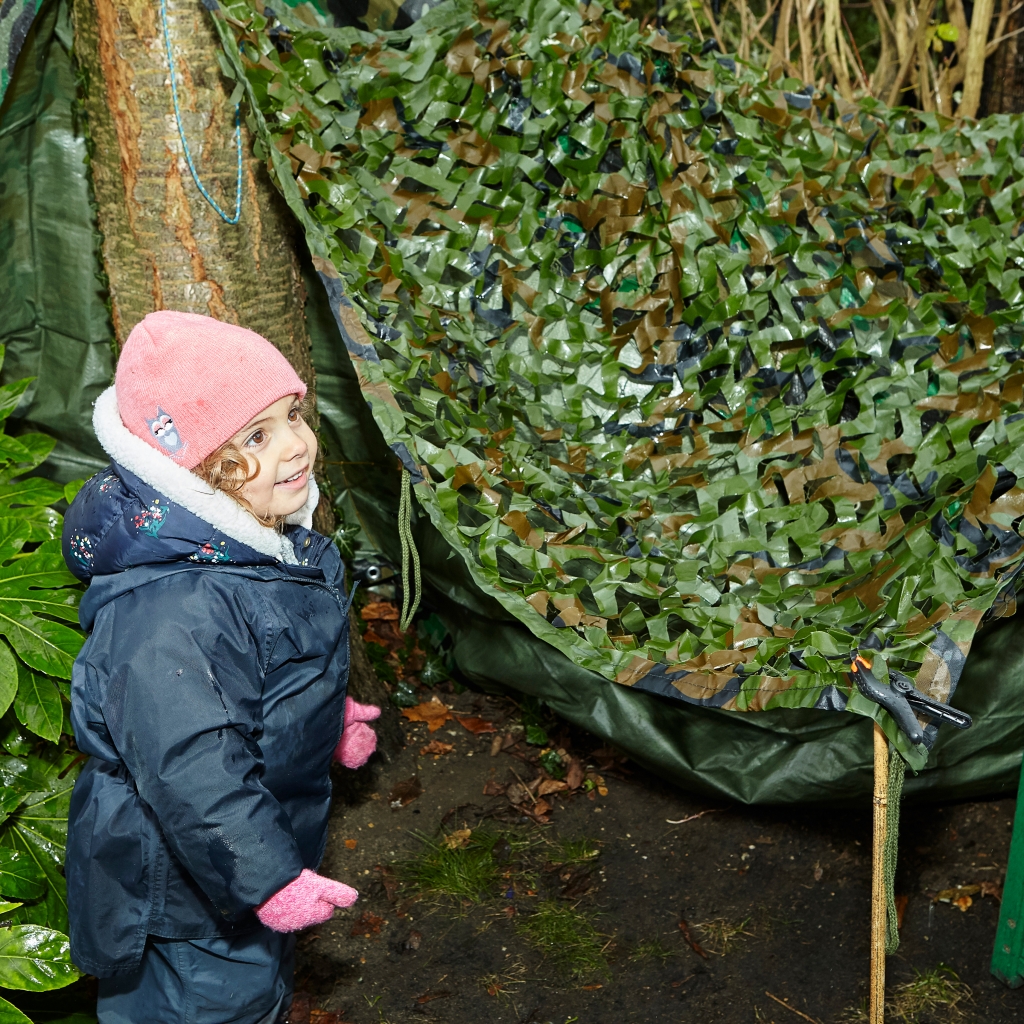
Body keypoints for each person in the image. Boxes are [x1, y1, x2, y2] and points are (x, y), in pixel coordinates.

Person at [61, 311, 381, 1024]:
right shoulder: (170, 614)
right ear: (195, 467)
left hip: (237, 856)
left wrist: (327, 719)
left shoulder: (261, 543)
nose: (297, 447)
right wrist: (267, 881)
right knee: (212, 1007)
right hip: (183, 885)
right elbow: (189, 764)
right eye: (257, 437)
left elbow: (263, 676)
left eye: (293, 415)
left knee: (252, 991)